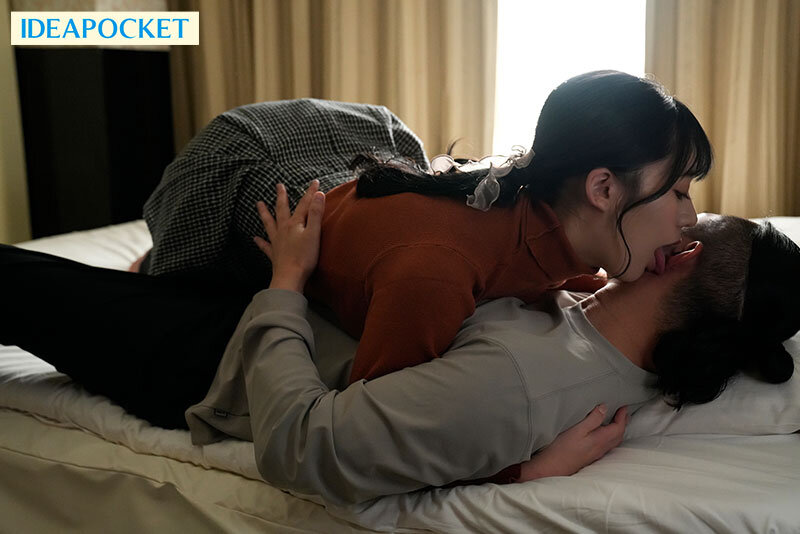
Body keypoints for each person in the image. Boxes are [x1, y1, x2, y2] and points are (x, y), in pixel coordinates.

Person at [1, 184, 797, 506]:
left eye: (686, 207)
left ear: (679, 256)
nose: (676, 209)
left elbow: (305, 447)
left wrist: (286, 281)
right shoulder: (589, 311)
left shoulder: (526, 381)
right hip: (278, 304)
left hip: (224, 357)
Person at [136, 70, 713, 383]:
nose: (690, 219)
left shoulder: (557, 237)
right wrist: (531, 468)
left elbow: (539, 271)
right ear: (603, 188)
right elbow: (369, 433)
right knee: (177, 285)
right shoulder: (435, 272)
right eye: (680, 192)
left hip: (360, 149)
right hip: (247, 164)